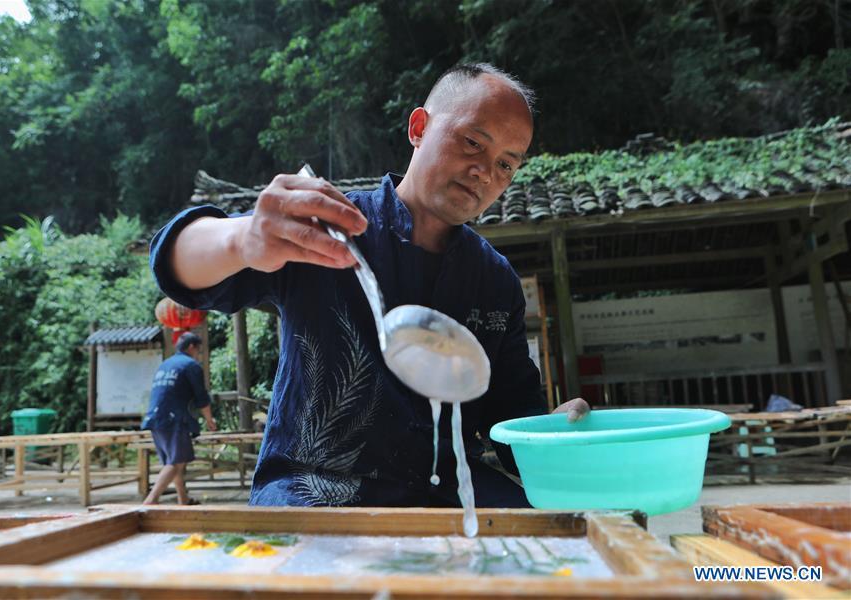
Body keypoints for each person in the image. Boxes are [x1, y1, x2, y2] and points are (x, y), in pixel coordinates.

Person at [149, 63, 589, 508]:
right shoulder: (329, 228)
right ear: (419, 127)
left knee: (559, 547)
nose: (484, 172)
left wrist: (553, 433)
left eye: (506, 165)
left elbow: (512, 419)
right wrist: (241, 239)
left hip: (449, 492)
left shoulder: (495, 280)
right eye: (473, 142)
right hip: (315, 486)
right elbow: (177, 267)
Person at [142, 331, 217, 505]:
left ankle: (183, 499)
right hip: (173, 419)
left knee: (175, 461)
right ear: (192, 347)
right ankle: (150, 501)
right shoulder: (191, 365)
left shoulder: (165, 364)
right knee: (176, 462)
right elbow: (201, 397)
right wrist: (209, 420)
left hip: (155, 417)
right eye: (198, 350)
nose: (199, 354)